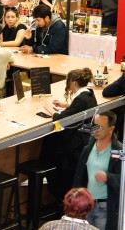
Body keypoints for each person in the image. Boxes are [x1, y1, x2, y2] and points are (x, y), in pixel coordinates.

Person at [41, 68, 97, 201]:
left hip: (74, 145)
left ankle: (47, 174)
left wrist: (50, 109)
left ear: (73, 82)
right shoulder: (89, 94)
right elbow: (78, 109)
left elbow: (61, 120)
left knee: (49, 142)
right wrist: (66, 105)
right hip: (84, 139)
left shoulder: (81, 99)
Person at [73, 111, 122, 230]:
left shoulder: (119, 151)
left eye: (100, 127)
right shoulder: (89, 147)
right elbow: (79, 175)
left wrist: (108, 177)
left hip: (105, 208)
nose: (95, 130)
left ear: (111, 129)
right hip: (86, 205)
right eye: (94, 126)